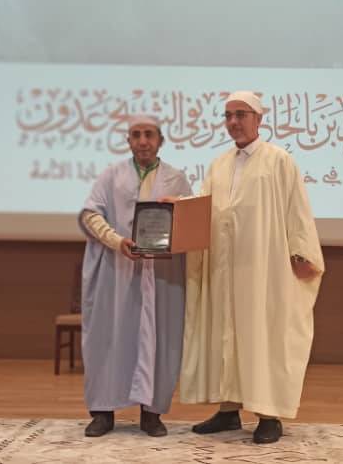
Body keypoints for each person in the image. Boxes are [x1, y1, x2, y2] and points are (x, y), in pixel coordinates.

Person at [178, 90, 324, 444]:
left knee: (263, 336)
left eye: (240, 114)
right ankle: (229, 410)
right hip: (225, 269)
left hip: (264, 270)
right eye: (228, 115)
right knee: (226, 335)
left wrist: (303, 253)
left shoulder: (279, 161)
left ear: (258, 119)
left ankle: (269, 415)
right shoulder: (219, 165)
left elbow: (297, 210)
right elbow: (206, 209)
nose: (233, 122)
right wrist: (177, 208)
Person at [77, 114, 192, 437]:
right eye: (136, 135)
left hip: (162, 275)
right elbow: (90, 214)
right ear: (128, 141)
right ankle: (102, 413)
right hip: (117, 272)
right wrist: (117, 241)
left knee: (159, 339)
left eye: (149, 135)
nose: (143, 141)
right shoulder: (111, 176)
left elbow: (191, 220)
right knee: (108, 338)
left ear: (160, 141)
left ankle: (151, 414)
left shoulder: (176, 179)